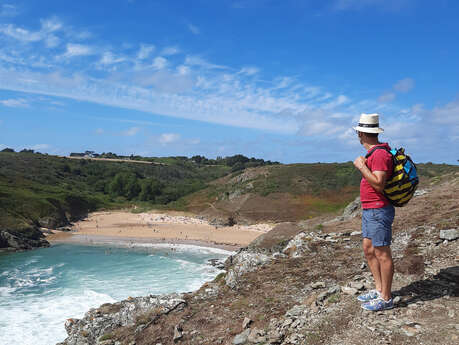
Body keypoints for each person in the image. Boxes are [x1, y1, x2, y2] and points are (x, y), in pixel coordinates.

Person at [353, 113, 395, 311]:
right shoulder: (375, 154)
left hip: (379, 210)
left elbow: (379, 184)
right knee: (369, 251)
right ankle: (379, 290)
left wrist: (361, 167)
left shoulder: (379, 154)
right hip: (370, 210)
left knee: (382, 253)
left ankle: (386, 298)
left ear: (361, 133)